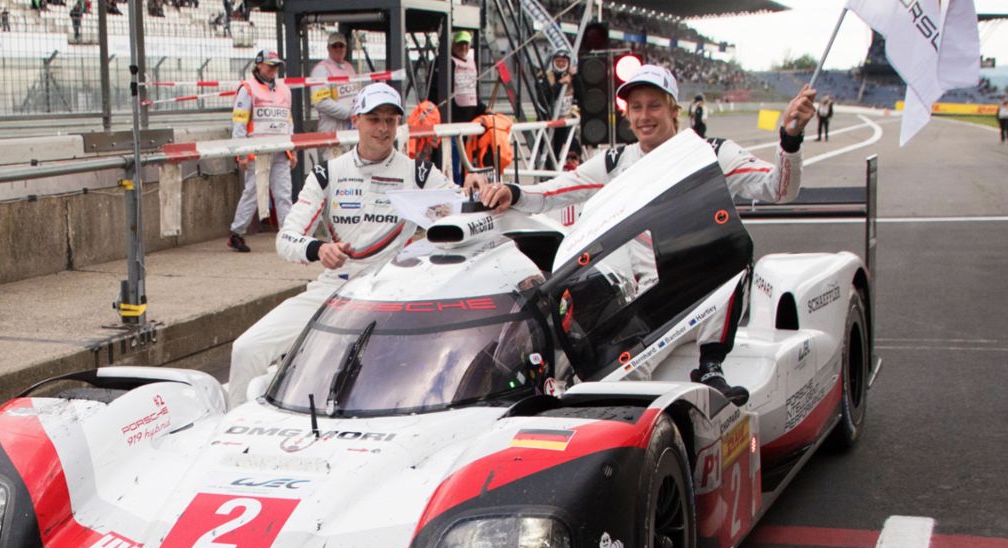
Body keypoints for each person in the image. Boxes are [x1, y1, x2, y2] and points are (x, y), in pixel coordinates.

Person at [468, 64, 815, 399]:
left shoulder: (711, 153)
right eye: (636, 108)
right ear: (627, 114)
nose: (644, 116)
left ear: (673, 110)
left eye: (654, 106)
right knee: (620, 386)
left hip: (706, 303)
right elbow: (556, 191)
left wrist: (790, 138)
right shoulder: (616, 161)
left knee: (731, 257)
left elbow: (779, 189)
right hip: (650, 308)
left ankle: (711, 367)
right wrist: (513, 192)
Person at [226, 83, 457, 406]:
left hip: (391, 291)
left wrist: (473, 192)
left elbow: (460, 210)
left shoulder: (419, 173)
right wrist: (319, 249)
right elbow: (286, 238)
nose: (383, 128)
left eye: (391, 120)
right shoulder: (328, 173)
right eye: (374, 118)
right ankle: (236, 428)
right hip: (335, 288)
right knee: (247, 348)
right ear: (356, 121)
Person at [227, 50, 296, 253]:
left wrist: (292, 151)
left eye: (276, 66)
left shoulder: (284, 89)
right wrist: (240, 153)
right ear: (258, 65)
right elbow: (239, 122)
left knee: (283, 193)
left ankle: (288, 233)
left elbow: (288, 121)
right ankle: (236, 233)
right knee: (253, 192)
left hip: (280, 151)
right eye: (269, 65)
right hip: (256, 151)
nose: (273, 69)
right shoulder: (247, 88)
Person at [309, 31, 359, 158]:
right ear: (328, 48)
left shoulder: (349, 68)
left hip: (351, 127)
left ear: (346, 48)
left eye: (341, 46)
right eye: (334, 46)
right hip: (331, 127)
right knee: (333, 170)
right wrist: (349, 113)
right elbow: (321, 102)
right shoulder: (322, 69)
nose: (338, 49)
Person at [449, 30, 486, 124]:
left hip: (471, 113)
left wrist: (482, 108)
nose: (463, 47)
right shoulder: (449, 62)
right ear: (453, 45)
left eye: (466, 43)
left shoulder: (472, 62)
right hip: (455, 115)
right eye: (460, 43)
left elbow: (474, 88)